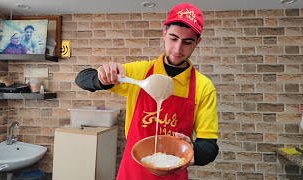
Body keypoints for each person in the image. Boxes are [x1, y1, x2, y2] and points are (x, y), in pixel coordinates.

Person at [75, 2, 219, 180]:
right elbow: (82, 79)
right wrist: (102, 78)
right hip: (132, 172)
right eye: (173, 38)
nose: (177, 49)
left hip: (174, 175)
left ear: (197, 42)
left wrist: (193, 150)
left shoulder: (203, 87)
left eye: (187, 42)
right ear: (164, 33)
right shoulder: (141, 72)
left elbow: (210, 147)